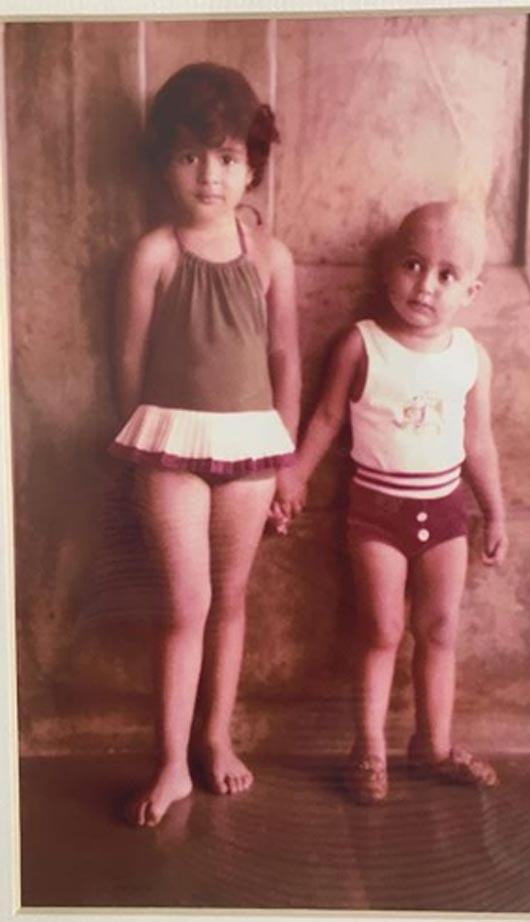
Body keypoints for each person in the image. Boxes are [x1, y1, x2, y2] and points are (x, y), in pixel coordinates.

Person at [110, 62, 300, 826]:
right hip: (169, 445)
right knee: (185, 603)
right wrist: (140, 444)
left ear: (251, 166)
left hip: (252, 447)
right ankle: (170, 762)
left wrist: (287, 460)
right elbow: (128, 360)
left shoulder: (270, 257)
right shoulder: (153, 254)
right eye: (190, 156)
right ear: (164, 163)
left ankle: (215, 738)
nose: (209, 175)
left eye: (226, 157)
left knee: (230, 599)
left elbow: (285, 355)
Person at [273, 200, 508, 804]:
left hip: (447, 513)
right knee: (381, 628)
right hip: (378, 513)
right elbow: (327, 418)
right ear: (387, 269)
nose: (425, 285)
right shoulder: (362, 344)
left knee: (440, 629)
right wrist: (295, 476)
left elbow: (478, 442)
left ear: (471, 291)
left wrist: (495, 512)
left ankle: (433, 745)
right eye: (412, 265)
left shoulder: (471, 358)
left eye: (447, 275)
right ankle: (369, 747)